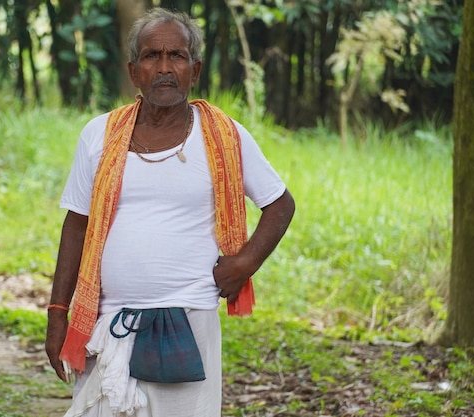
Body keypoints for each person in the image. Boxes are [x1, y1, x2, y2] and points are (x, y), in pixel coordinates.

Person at [45, 7, 295, 417]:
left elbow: (280, 203)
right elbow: (77, 224)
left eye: (176, 56)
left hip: (189, 320)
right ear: (133, 71)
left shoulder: (224, 135)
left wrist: (245, 262)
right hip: (107, 323)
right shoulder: (99, 134)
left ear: (194, 70)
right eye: (151, 56)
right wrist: (58, 314)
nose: (164, 67)